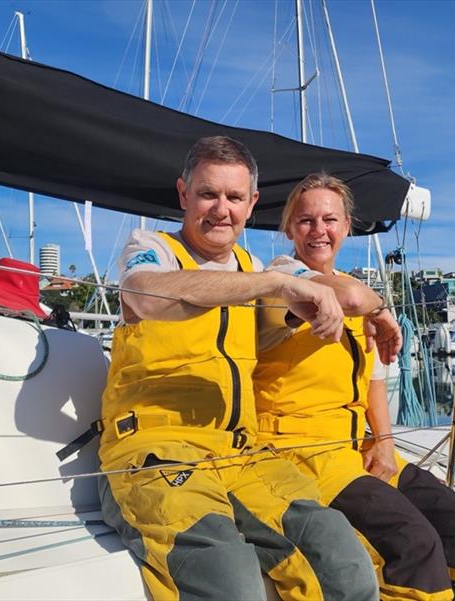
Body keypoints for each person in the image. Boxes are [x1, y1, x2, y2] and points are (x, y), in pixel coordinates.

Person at [98, 138, 379, 601]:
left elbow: (330, 302)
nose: (221, 210)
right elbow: (146, 296)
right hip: (156, 452)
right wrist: (271, 282)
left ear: (252, 204)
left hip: (243, 455)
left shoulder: (250, 267)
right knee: (231, 581)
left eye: (234, 197)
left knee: (344, 561)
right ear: (184, 195)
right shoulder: (153, 249)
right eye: (208, 194)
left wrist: (379, 311)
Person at [254, 172, 455, 601]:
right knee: (413, 543)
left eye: (330, 219)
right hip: (297, 451)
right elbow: (341, 298)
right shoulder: (281, 279)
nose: (318, 230)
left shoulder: (358, 292)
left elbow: (374, 384)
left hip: (352, 448)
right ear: (289, 228)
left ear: (347, 225)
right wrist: (380, 307)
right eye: (305, 220)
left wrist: (384, 445)